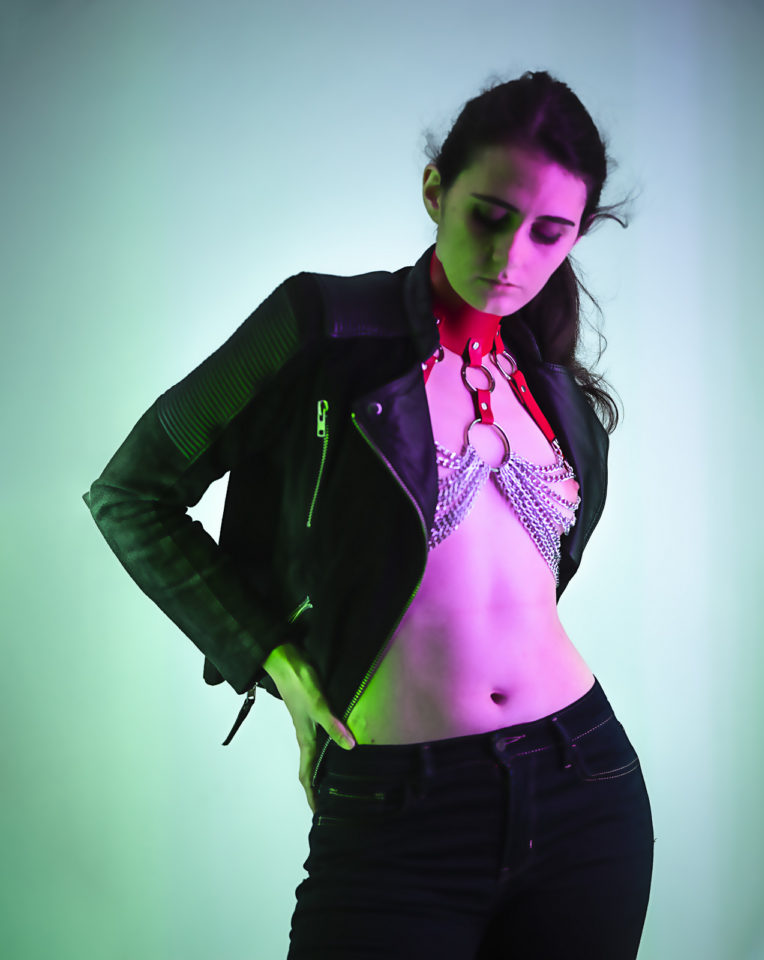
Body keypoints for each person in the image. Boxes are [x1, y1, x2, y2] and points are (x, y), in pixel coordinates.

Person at [83, 69, 655, 959]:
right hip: (399, 809)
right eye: (489, 216)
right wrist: (277, 661)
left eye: (549, 232)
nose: (512, 257)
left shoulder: (549, 386)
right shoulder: (323, 326)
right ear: (435, 191)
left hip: (588, 784)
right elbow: (131, 492)